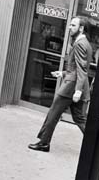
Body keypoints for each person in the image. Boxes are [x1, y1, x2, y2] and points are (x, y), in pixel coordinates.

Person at [28, 16, 93, 152]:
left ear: (81, 28)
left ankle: (44, 143)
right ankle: (96, 145)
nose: (70, 28)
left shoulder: (80, 44)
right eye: (70, 25)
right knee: (80, 118)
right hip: (76, 84)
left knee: (53, 113)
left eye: (73, 25)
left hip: (71, 87)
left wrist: (77, 91)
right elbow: (77, 68)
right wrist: (63, 73)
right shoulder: (86, 43)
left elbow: (82, 69)